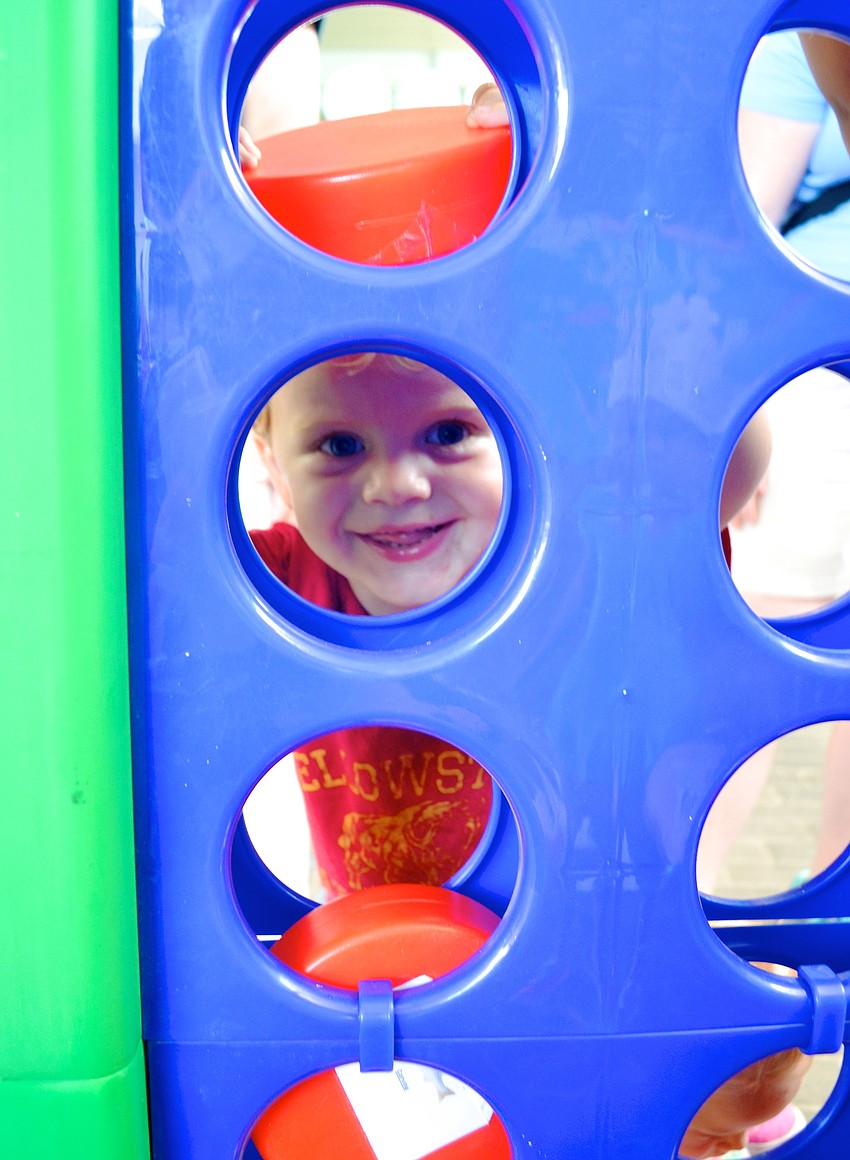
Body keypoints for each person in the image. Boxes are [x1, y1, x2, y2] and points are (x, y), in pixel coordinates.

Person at [697, 29, 850, 896]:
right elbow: (742, 218)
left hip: (811, 359)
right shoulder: (804, 39)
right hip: (814, 357)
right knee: (763, 649)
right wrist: (725, 408)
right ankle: (700, 896)